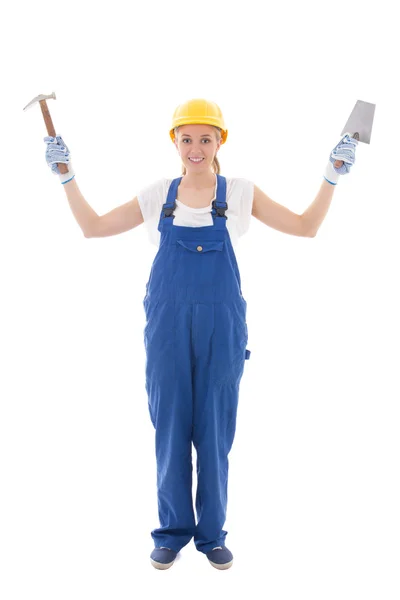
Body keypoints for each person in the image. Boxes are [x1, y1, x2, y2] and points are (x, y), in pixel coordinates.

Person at [44, 98, 358, 570]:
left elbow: (305, 226)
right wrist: (66, 176)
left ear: (220, 141)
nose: (195, 148)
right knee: (170, 428)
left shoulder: (239, 192)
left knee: (214, 431)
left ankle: (212, 536)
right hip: (167, 328)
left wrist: (332, 175)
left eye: (205, 138)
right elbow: (94, 227)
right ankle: (171, 532)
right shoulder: (158, 196)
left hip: (222, 327)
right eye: (186, 138)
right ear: (174, 141)